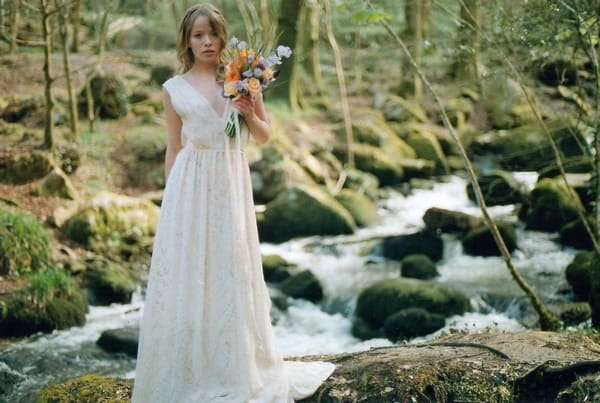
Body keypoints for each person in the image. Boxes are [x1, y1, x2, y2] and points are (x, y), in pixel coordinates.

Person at [131, 3, 336, 402]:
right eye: (198, 35)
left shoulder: (244, 75)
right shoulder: (173, 89)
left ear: (223, 36)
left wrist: (247, 111)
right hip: (190, 185)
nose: (207, 41)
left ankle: (234, 365)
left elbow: (264, 135)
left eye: (213, 34)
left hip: (230, 180)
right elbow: (173, 148)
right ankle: (190, 368)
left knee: (231, 266)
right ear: (187, 42)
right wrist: (171, 203)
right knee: (192, 270)